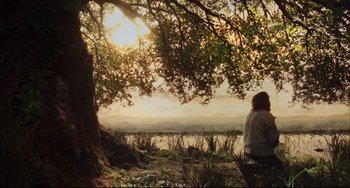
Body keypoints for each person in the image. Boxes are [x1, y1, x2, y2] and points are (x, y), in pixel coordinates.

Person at [243, 91, 283, 170]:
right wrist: (276, 138)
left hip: (247, 151)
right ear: (266, 102)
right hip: (261, 153)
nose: (270, 103)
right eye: (268, 101)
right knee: (280, 169)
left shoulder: (250, 113)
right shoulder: (266, 115)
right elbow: (273, 141)